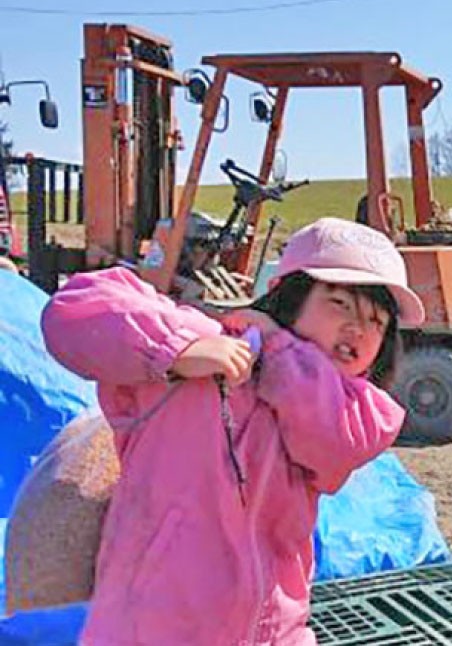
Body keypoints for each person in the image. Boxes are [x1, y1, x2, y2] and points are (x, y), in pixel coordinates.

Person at [40, 217, 425, 645]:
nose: (358, 327)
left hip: (270, 634)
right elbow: (76, 309)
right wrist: (176, 349)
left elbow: (346, 437)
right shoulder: (202, 349)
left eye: (377, 321)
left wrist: (278, 349)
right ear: (291, 296)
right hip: (147, 629)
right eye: (340, 303)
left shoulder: (348, 411)